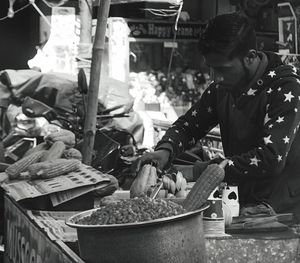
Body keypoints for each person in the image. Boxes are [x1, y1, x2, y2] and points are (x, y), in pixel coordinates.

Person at [139, 12, 300, 221]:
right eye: (211, 68)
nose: (214, 77)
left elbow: (270, 158)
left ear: (250, 57)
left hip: (284, 212)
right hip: (244, 205)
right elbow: (190, 125)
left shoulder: (287, 87)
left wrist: (196, 172)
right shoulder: (222, 87)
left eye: (221, 68)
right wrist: (165, 149)